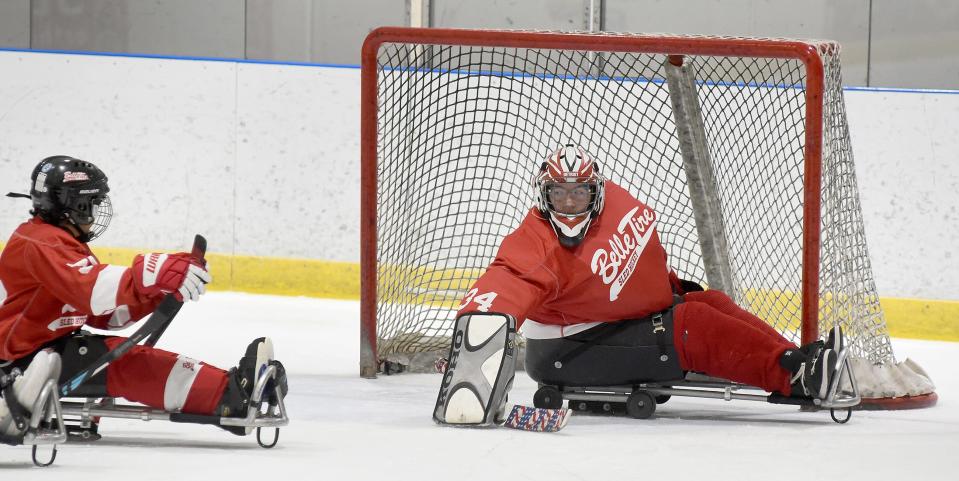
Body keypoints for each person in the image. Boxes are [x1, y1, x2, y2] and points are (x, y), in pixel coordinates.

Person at [452, 144, 842, 403]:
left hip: (601, 329)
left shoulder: (615, 206)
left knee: (709, 301)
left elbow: (635, 257)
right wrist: (470, 360)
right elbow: (502, 286)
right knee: (695, 323)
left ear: (596, 192)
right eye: (559, 194)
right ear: (544, 196)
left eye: (580, 193)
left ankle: (793, 359)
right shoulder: (534, 241)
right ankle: (796, 379)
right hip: (565, 352)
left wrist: (665, 287)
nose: (570, 203)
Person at [0, 155, 286, 440]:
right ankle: (230, 397)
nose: (98, 211)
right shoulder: (40, 242)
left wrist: (156, 291)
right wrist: (152, 273)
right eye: (94, 203)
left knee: (125, 358)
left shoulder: (54, 241)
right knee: (127, 364)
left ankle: (229, 394)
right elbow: (91, 289)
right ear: (76, 205)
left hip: (45, 351)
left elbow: (107, 316)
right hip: (18, 361)